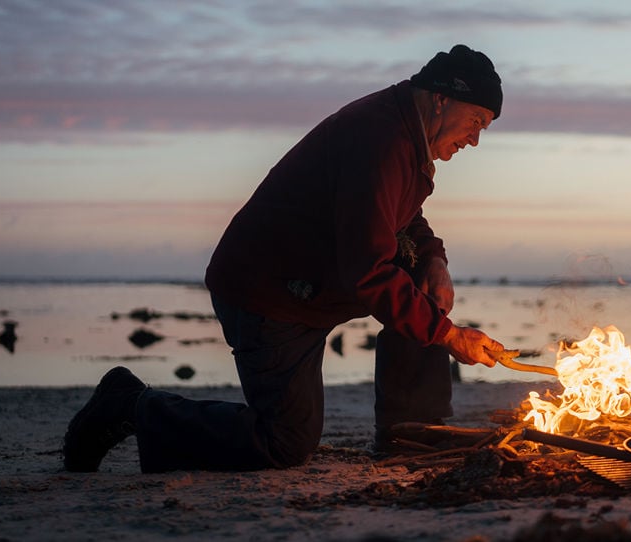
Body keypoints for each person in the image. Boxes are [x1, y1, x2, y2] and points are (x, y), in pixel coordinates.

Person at [63, 45, 509, 473]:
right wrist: (447, 335)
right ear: (440, 99)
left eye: (483, 128)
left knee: (421, 279)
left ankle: (411, 430)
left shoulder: (403, 134)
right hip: (268, 295)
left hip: (311, 288)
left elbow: (397, 216)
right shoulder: (381, 140)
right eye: (476, 121)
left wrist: (433, 259)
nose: (474, 139)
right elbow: (367, 269)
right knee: (285, 441)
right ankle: (131, 405)